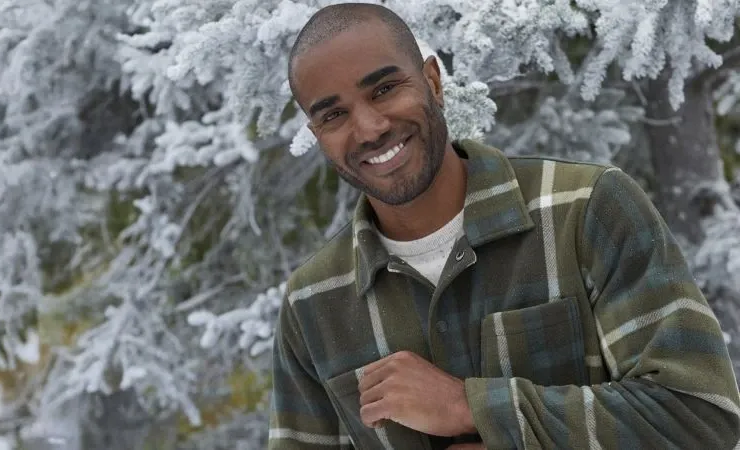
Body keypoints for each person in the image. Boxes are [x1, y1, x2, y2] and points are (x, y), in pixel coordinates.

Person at [268, 3, 740, 449]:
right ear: (317, 135)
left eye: (385, 89)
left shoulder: (586, 210)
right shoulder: (312, 302)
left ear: (432, 81)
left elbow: (698, 413)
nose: (369, 128)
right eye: (334, 114)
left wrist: (471, 407)